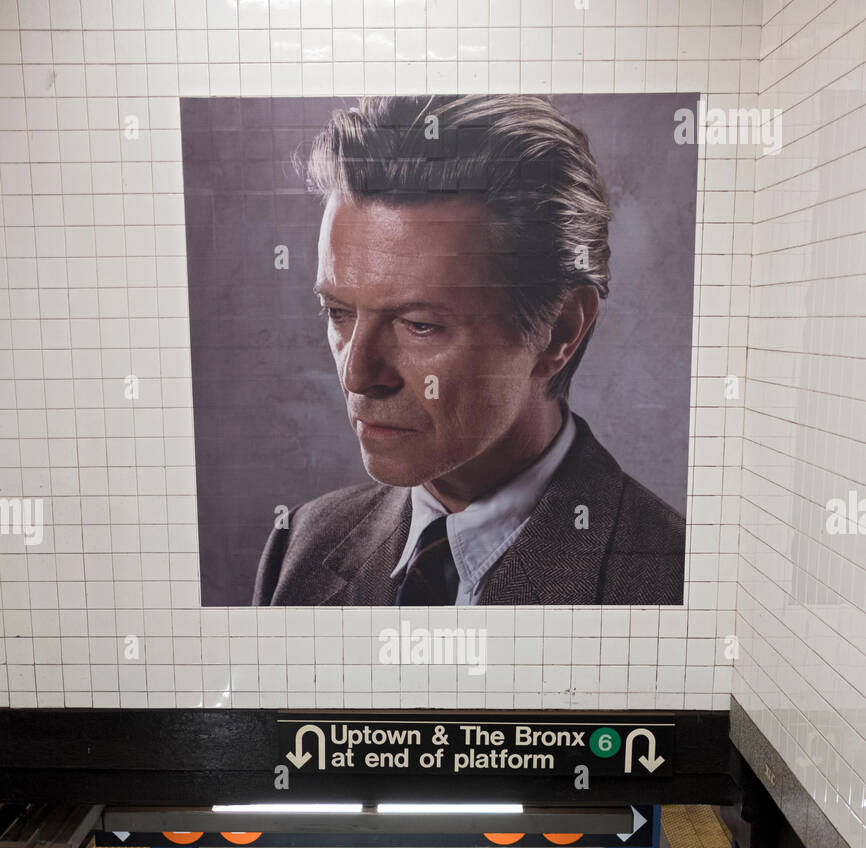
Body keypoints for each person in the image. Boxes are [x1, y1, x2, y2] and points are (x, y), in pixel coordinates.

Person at [253, 94, 685, 608]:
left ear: (559, 329)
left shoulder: (674, 584)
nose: (356, 375)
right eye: (339, 312)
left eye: (419, 325)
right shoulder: (300, 545)